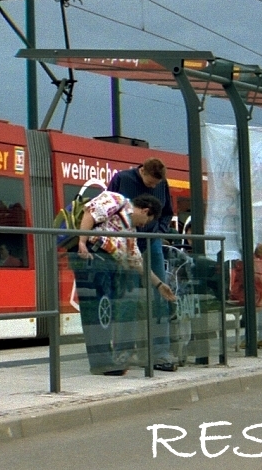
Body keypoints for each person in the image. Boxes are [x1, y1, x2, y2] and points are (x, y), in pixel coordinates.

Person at [71, 190, 176, 376]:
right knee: (96, 311)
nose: (145, 225)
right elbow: (90, 213)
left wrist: (159, 285)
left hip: (108, 265)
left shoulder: (130, 233)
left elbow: (137, 262)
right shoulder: (116, 200)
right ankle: (102, 363)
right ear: (145, 210)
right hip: (93, 256)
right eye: (147, 221)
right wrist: (82, 241)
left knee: (105, 312)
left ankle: (104, 361)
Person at [108, 158, 177, 372]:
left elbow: (167, 212)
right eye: (150, 182)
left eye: (157, 184)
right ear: (142, 171)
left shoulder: (161, 184)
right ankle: (124, 351)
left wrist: (160, 232)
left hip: (151, 238)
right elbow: (108, 204)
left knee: (159, 296)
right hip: (126, 238)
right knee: (127, 296)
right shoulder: (122, 179)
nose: (153, 187)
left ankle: (160, 352)